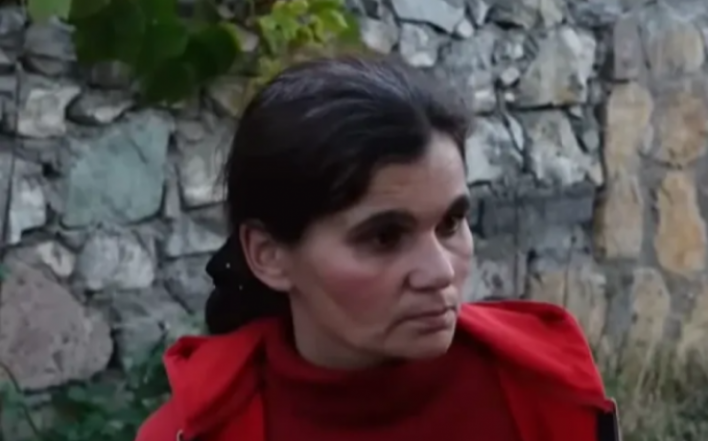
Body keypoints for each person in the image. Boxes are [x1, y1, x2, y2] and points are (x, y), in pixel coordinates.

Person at [136, 56, 619, 441]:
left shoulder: (550, 397)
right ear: (268, 255)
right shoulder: (193, 433)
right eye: (384, 237)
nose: (439, 273)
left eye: (450, 223)